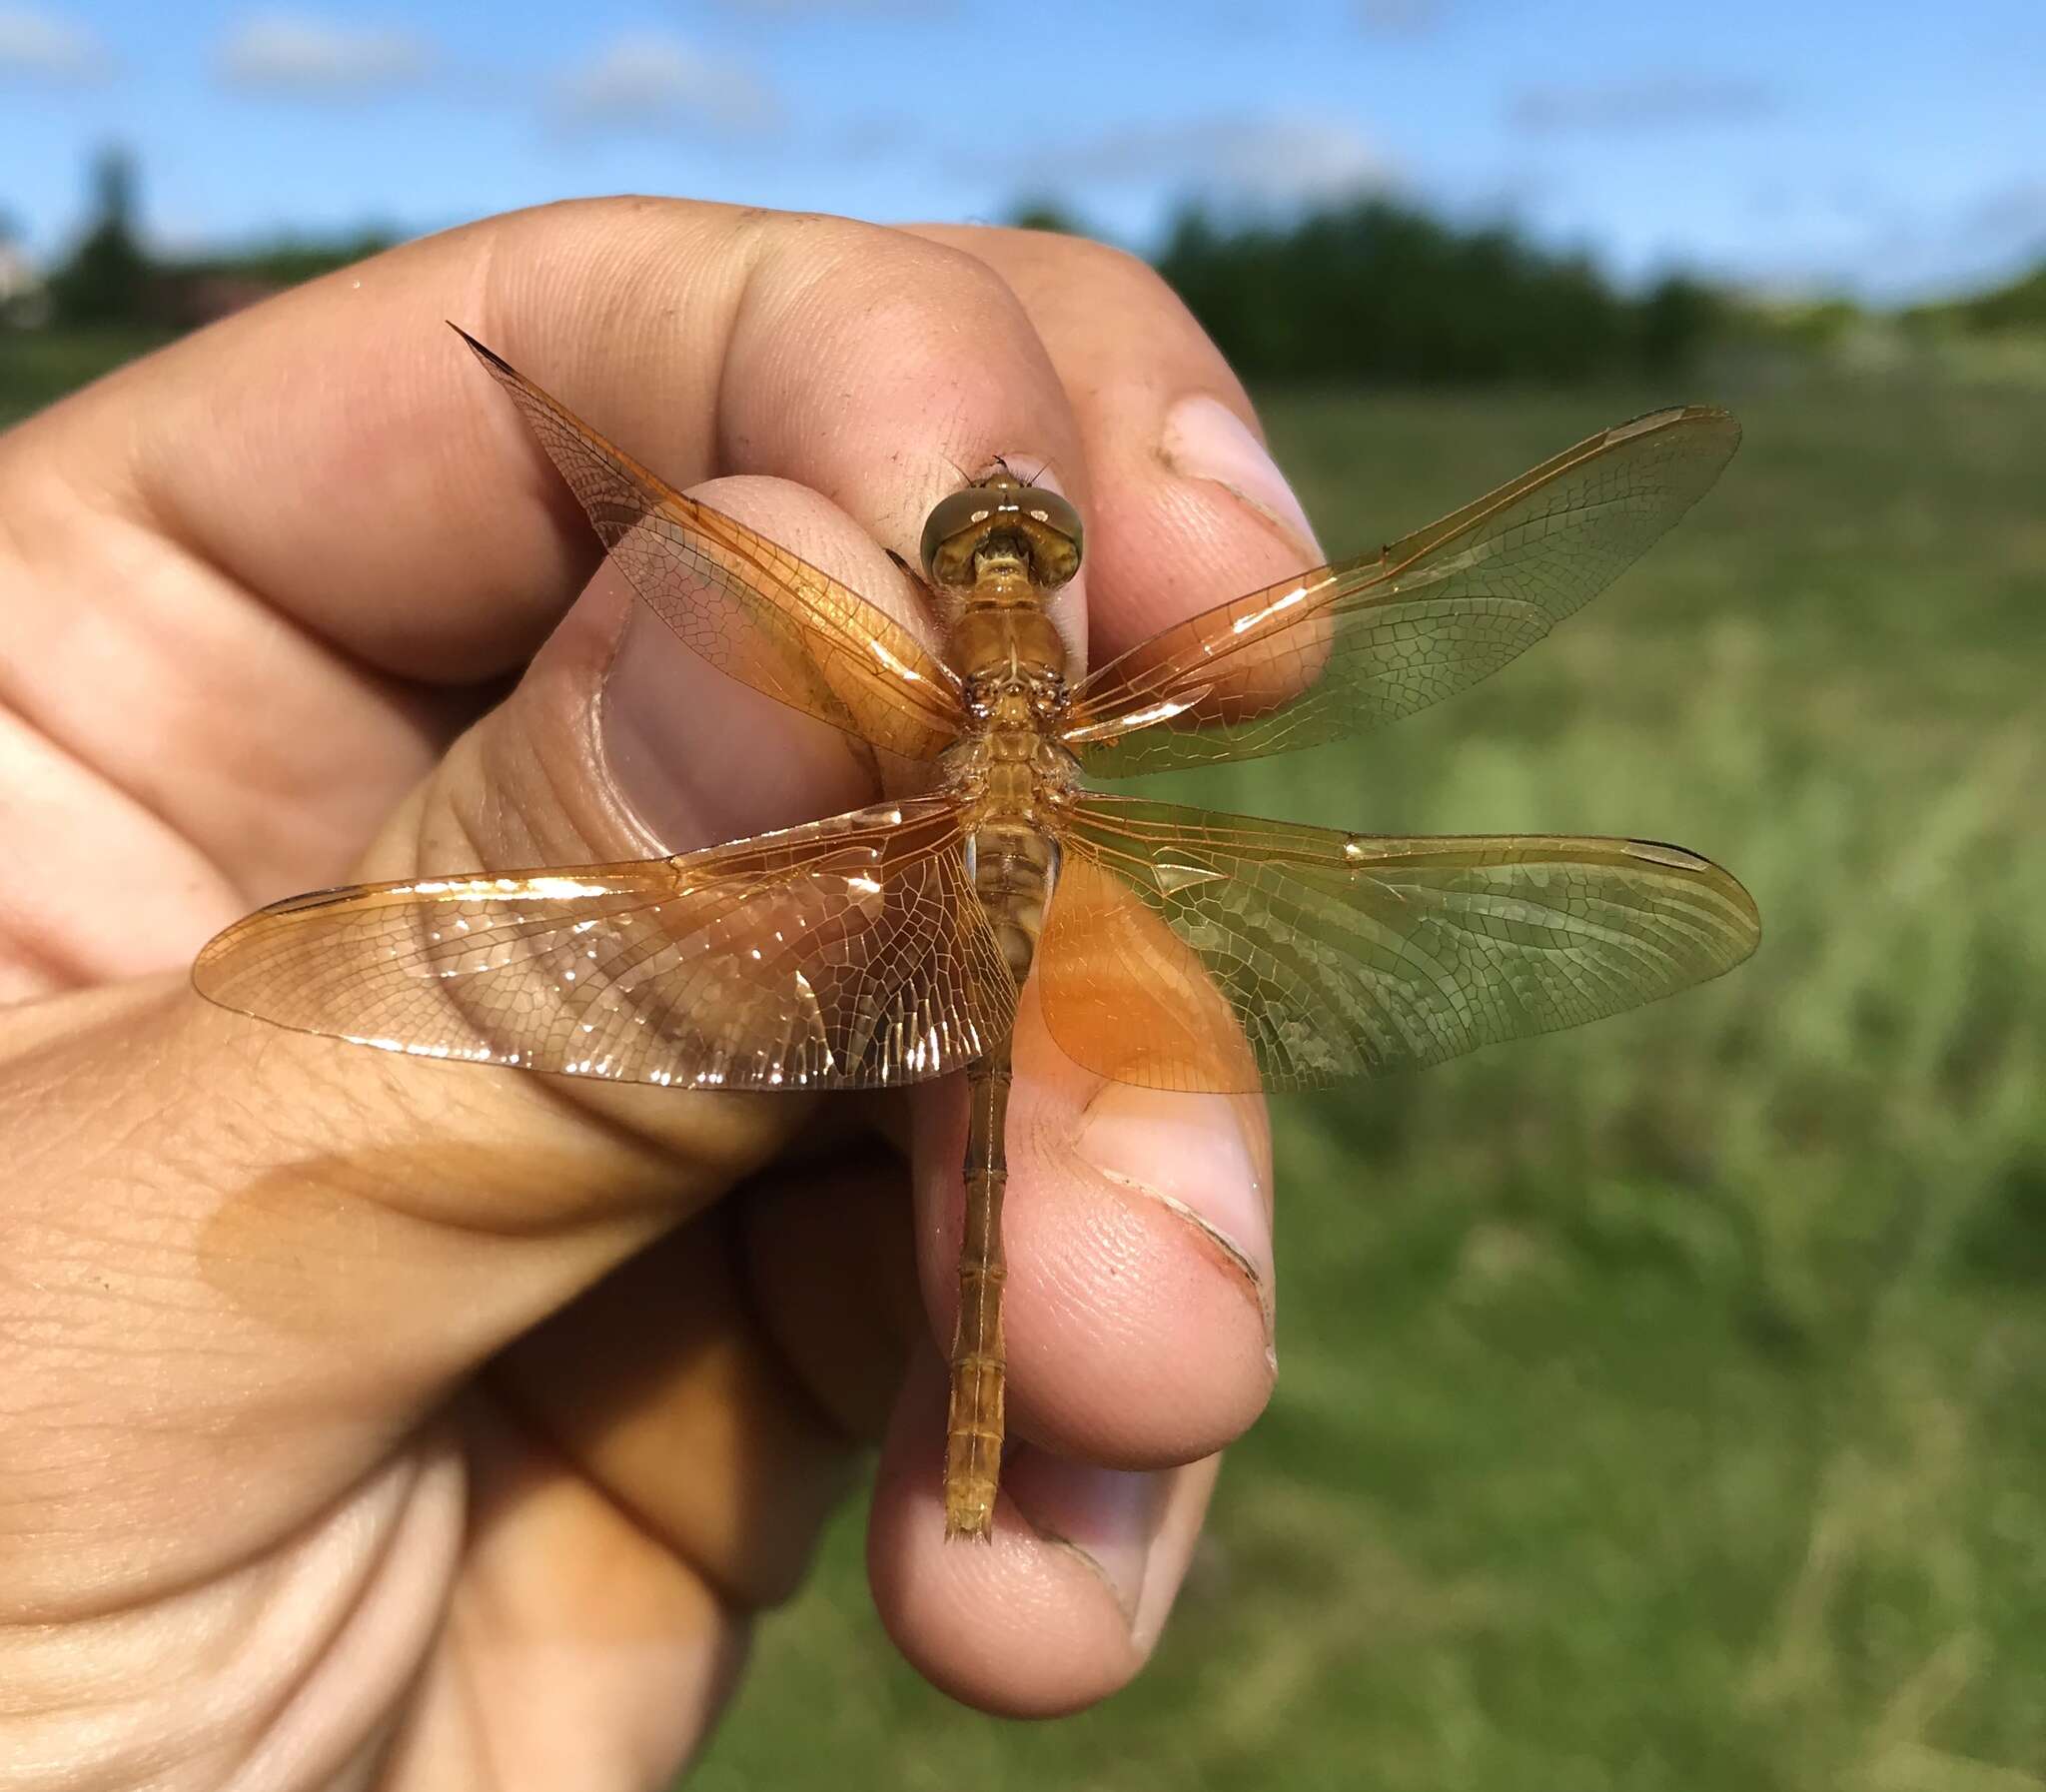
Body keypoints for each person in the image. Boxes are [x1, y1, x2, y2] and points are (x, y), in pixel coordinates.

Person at [0, 198, 1320, 1785]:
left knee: (1003, 1181)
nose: (1006, 555)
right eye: (995, 545)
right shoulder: (1047, 689)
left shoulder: (894, 661)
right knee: (1008, 1179)